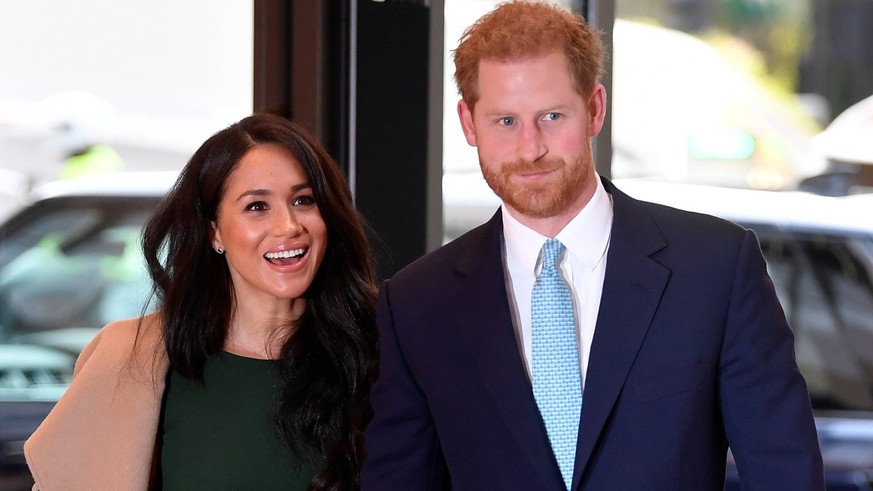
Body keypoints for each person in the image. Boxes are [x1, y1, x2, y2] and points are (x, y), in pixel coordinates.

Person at [361, 2, 824, 490]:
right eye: (504, 122)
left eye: (552, 116)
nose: (529, 148)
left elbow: (785, 472)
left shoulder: (715, 269)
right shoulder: (416, 304)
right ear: (468, 123)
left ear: (595, 109)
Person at [25, 113, 379, 490]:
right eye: (257, 207)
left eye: (304, 200)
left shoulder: (380, 349)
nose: (289, 226)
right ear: (214, 232)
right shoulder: (133, 359)